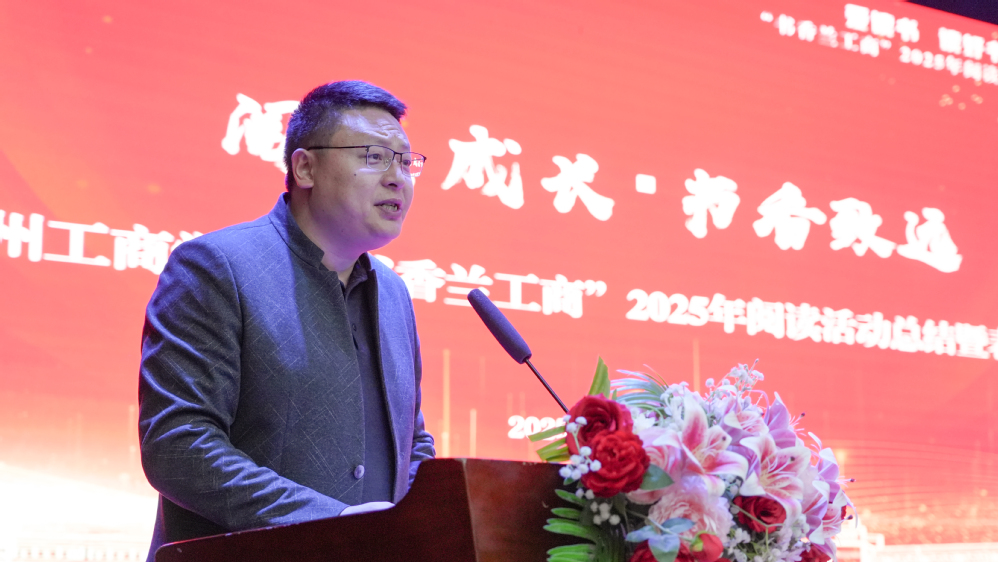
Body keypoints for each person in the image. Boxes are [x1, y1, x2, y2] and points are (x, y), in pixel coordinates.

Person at [138, 80, 435, 559]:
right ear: (305, 167)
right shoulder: (217, 267)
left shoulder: (394, 294)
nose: (398, 177)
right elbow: (179, 447)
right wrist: (333, 525)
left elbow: (412, 443)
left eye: (406, 162)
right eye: (375, 157)